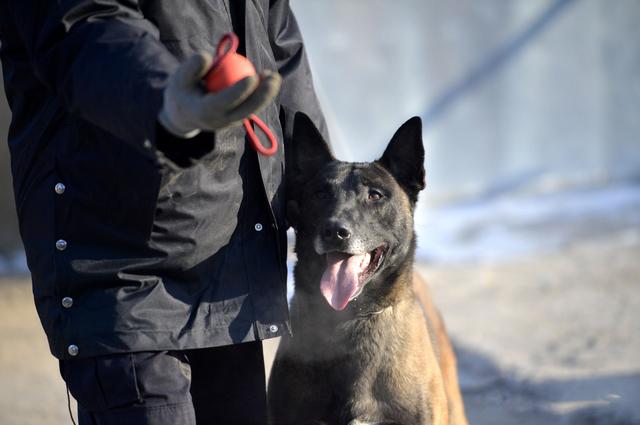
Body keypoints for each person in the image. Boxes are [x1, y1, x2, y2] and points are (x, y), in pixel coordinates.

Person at [0, 1, 328, 424]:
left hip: (230, 271)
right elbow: (85, 26)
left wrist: (323, 195)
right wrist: (164, 101)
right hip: (122, 272)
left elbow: (280, 55)